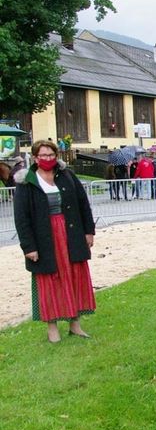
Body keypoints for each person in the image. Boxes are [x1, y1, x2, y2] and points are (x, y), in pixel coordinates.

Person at [13, 140, 96, 343]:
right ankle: (52, 328)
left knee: (74, 275)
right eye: (43, 155)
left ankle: (75, 324)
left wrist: (88, 231)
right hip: (45, 238)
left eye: (51, 155)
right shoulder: (28, 181)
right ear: (35, 158)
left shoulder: (67, 176)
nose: (48, 159)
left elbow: (83, 203)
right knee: (50, 280)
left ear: (56, 155)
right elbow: (21, 218)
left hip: (71, 234)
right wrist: (28, 246)